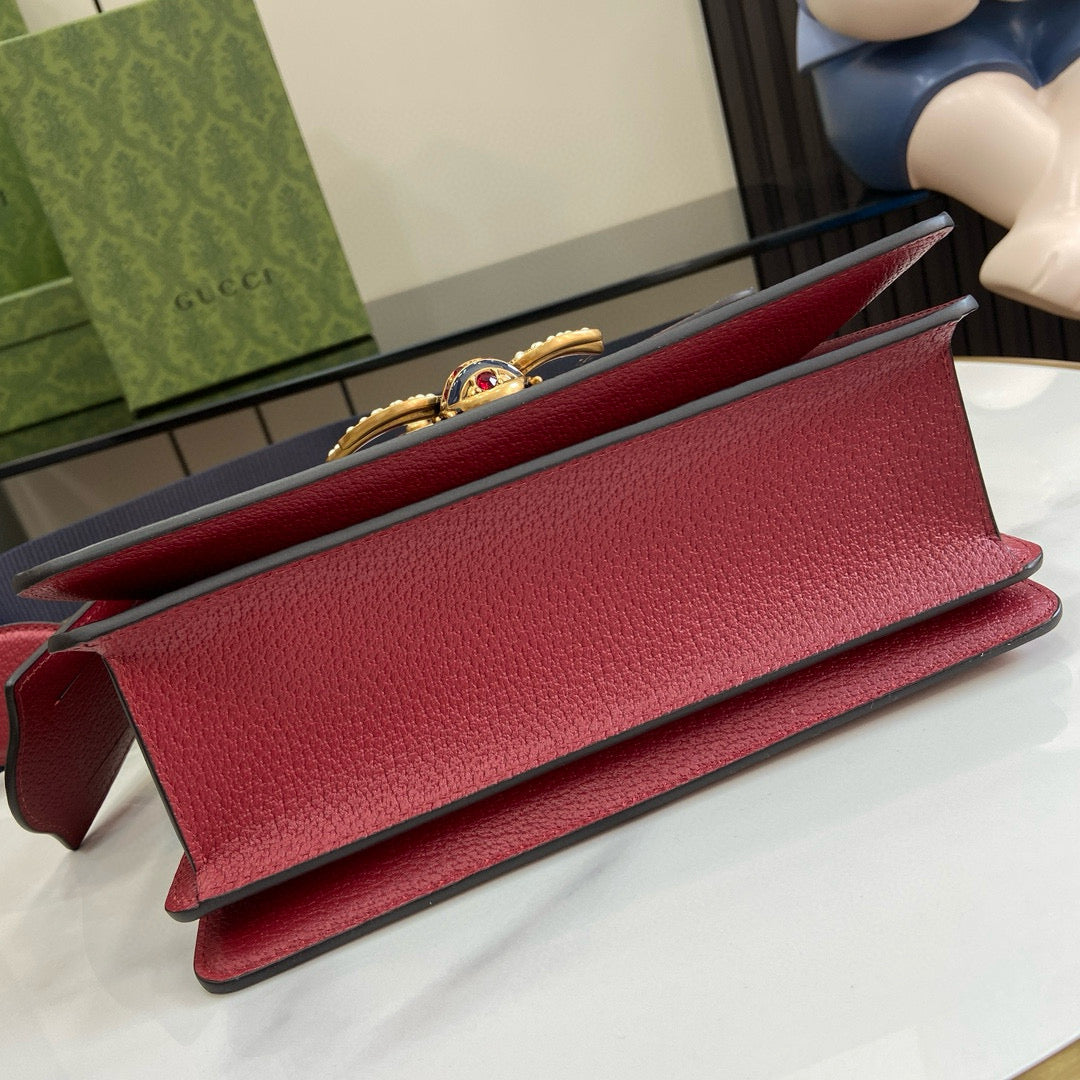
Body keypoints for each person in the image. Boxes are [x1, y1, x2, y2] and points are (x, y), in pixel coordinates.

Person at [798, 0, 1080, 318]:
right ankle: (1057, 225)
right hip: (899, 62)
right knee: (987, 119)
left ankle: (1061, 221)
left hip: (1056, 27)